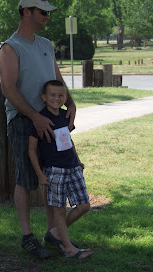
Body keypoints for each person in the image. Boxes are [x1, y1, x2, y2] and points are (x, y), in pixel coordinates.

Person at [0, 0, 76, 258]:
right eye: (43, 12)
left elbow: (56, 78)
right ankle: (27, 237)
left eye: (48, 12)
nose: (47, 17)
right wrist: (35, 116)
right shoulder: (10, 47)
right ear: (26, 12)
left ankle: (53, 232)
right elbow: (8, 89)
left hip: (51, 121)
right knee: (26, 179)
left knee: (54, 176)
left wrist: (72, 103)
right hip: (24, 121)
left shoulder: (46, 44)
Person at [28, 80, 92, 259]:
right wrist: (40, 174)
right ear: (44, 97)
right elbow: (31, 149)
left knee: (84, 206)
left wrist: (78, 162)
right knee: (59, 210)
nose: (57, 98)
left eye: (61, 95)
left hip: (73, 168)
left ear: (65, 98)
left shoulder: (65, 116)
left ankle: (55, 233)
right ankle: (68, 247)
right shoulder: (40, 120)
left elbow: (68, 142)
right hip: (55, 172)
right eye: (52, 95)